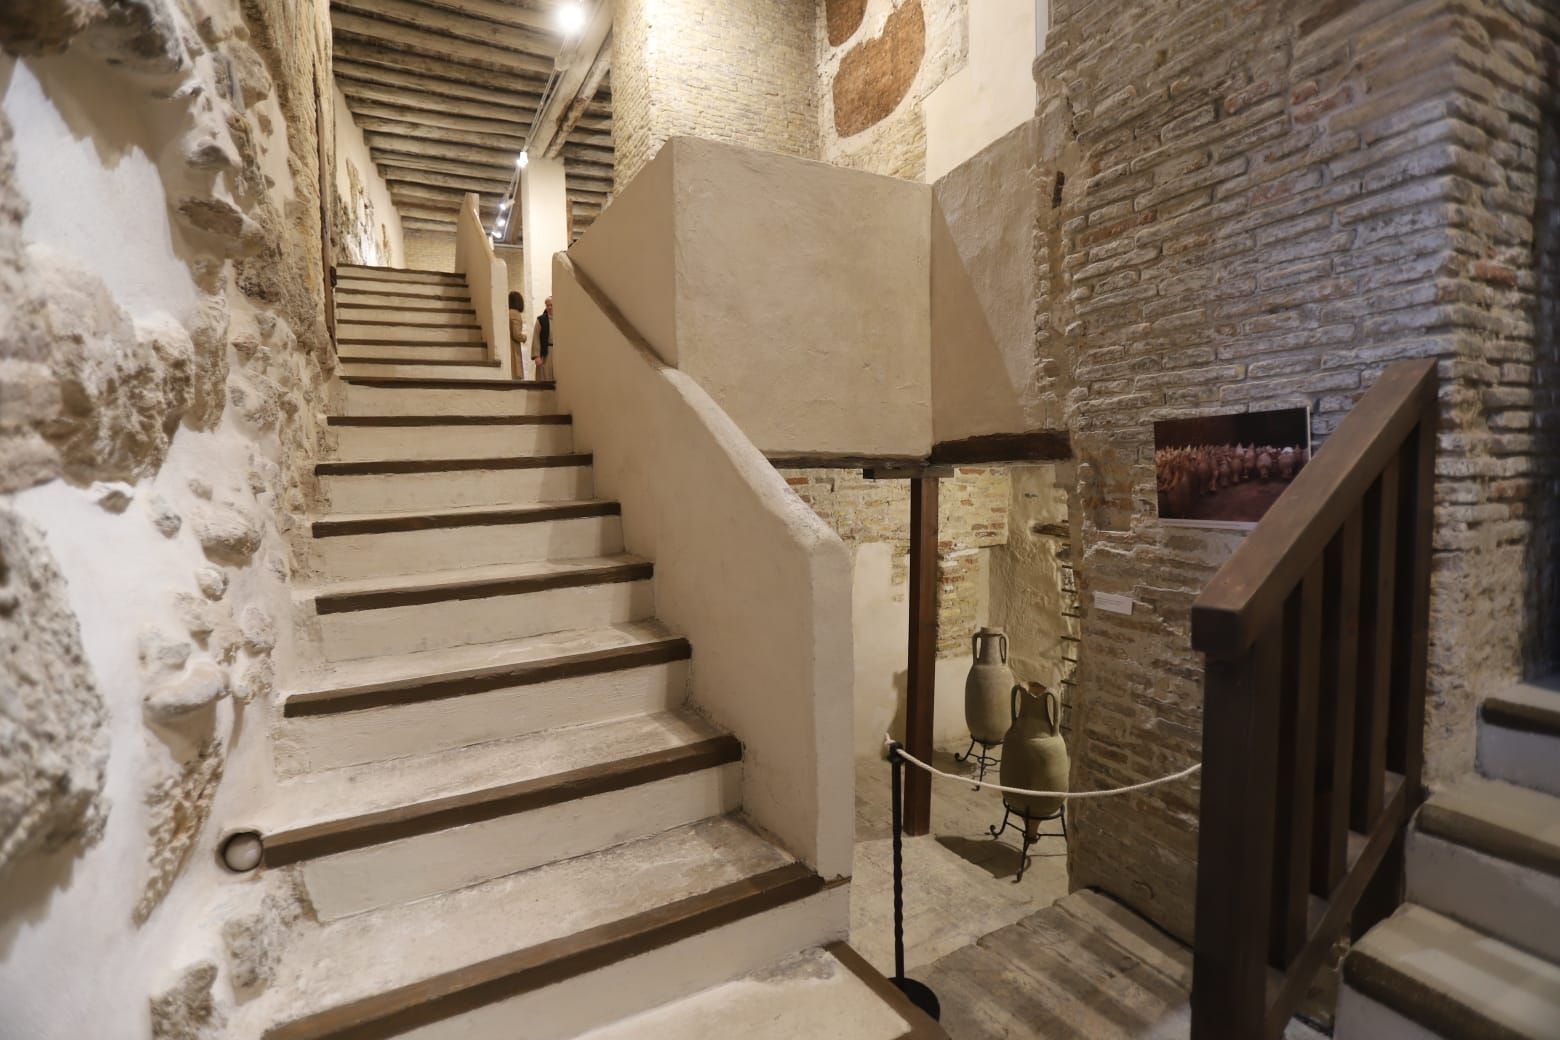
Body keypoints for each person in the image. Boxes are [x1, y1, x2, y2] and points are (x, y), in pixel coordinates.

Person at [531, 295, 554, 381]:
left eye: (551, 305)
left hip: (557, 353)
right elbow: (536, 338)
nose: (549, 307)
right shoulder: (541, 320)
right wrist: (536, 356)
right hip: (545, 354)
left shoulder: (560, 319)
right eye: (547, 305)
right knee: (545, 378)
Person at [507, 291, 528, 378]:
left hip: (508, 346)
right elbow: (516, 334)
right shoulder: (515, 314)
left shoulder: (508, 312)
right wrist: (524, 337)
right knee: (515, 373)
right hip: (513, 347)